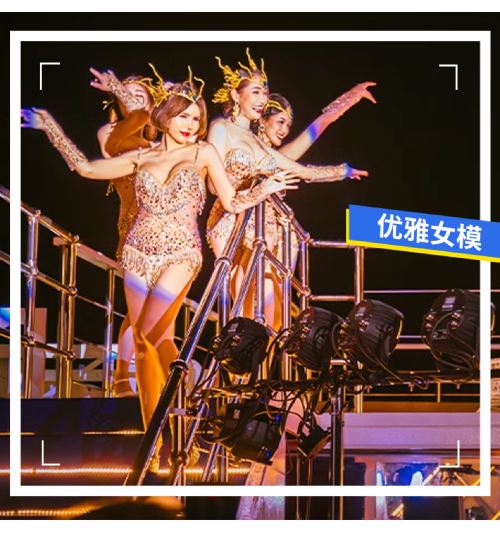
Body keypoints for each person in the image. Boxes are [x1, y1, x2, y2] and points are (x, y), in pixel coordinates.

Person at [21, 68, 296, 472]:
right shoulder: (141, 157)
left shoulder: (203, 154)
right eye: (184, 116)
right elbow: (86, 169)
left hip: (181, 254)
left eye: (197, 119)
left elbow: (232, 203)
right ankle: (165, 428)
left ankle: (168, 427)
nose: (191, 125)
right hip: (137, 254)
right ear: (166, 116)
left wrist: (262, 190)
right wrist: (49, 127)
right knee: (150, 342)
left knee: (149, 335)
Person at [206, 49, 369, 329]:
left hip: (262, 228)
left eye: (264, 93)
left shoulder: (260, 148)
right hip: (229, 219)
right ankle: (241, 355)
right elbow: (213, 184)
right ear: (236, 95)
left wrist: (342, 170)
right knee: (242, 304)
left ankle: (261, 356)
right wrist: (257, 189)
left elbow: (304, 168)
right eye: (256, 92)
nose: (261, 98)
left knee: (269, 307)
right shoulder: (222, 128)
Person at [89, 66, 161, 398]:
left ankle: (151, 377)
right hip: (133, 228)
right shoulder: (110, 132)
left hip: (168, 230)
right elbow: (115, 151)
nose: (134, 100)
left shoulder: (163, 141)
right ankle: (122, 377)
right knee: (138, 309)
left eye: (140, 95)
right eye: (126, 95)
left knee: (159, 309)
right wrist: (120, 91)